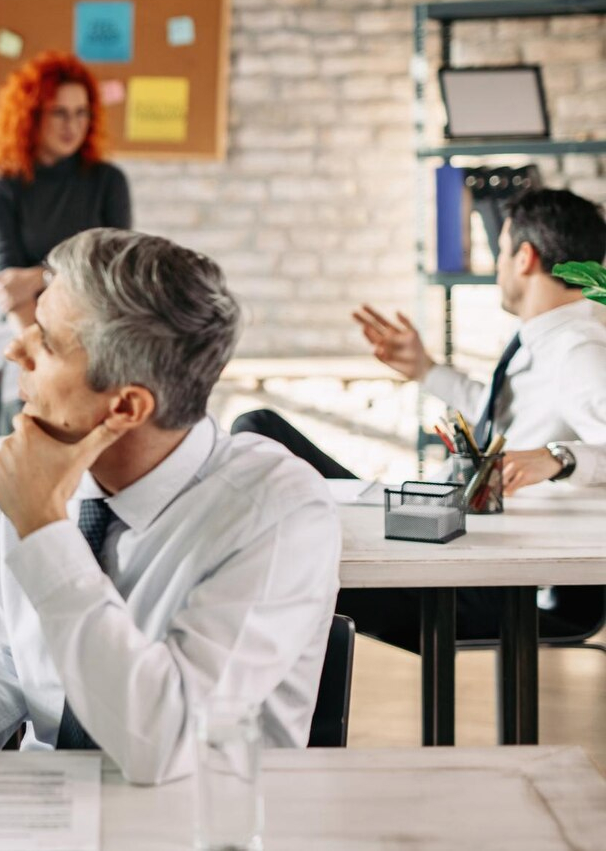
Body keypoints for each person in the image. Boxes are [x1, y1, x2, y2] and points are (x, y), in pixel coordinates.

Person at [0, 229, 340, 785]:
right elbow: (2, 647)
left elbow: (165, 743)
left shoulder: (279, 511)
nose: (14, 348)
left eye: (45, 341)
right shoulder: (42, 466)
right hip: (42, 813)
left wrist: (44, 530)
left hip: (202, 818)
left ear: (124, 407)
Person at [233, 187, 606, 647]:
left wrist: (560, 458)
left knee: (259, 439)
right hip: (460, 544)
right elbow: (499, 420)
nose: (499, 264)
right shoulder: (548, 340)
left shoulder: (578, 351)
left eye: (501, 251)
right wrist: (425, 370)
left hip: (491, 582)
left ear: (525, 257)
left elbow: (572, 443)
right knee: (264, 443)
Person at [0, 52, 130, 433]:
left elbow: (115, 275)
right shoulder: (4, 189)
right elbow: (11, 287)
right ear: (32, 115)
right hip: (25, 333)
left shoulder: (108, 182)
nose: (72, 125)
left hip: (96, 334)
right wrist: (47, 360)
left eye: (81, 113)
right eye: (59, 112)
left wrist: (40, 276)